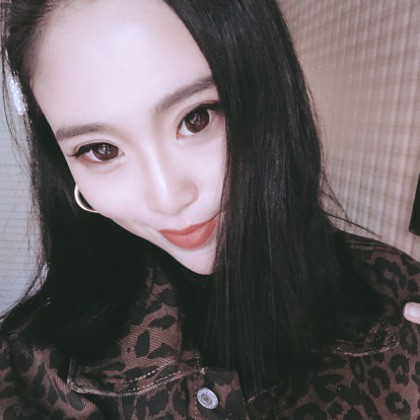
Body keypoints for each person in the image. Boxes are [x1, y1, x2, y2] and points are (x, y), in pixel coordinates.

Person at [0, 0, 418, 418]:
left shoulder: (401, 307)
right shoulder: (30, 372)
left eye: (197, 118)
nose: (167, 198)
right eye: (101, 150)